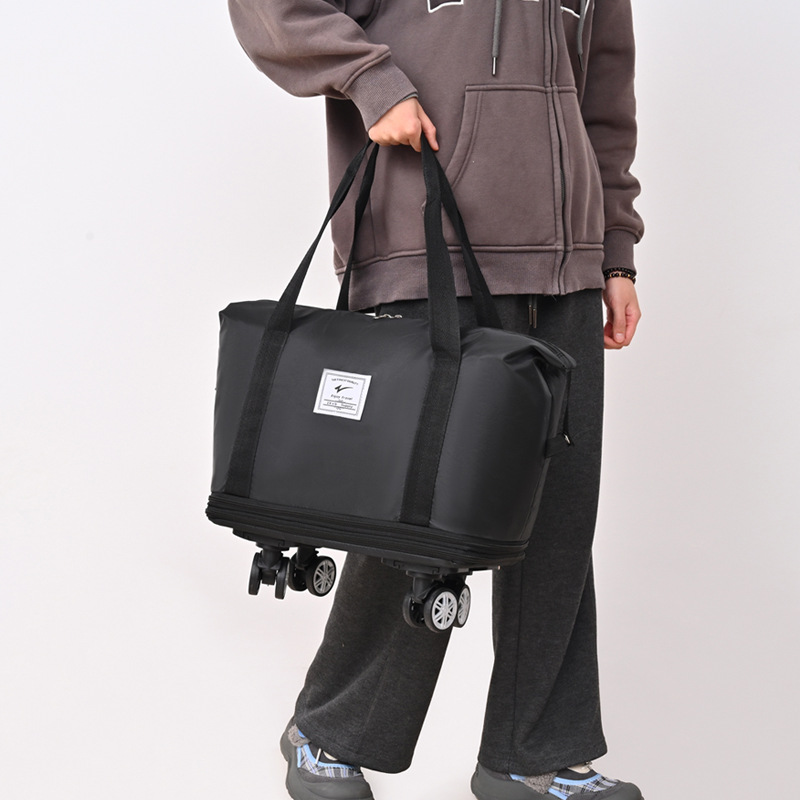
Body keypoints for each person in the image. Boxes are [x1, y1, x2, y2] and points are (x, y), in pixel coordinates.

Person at [228, 1, 644, 798]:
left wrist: (616, 251)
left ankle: (531, 755)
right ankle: (331, 731)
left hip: (566, 264)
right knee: (422, 513)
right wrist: (372, 82)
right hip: (428, 239)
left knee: (557, 517)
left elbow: (605, 94)